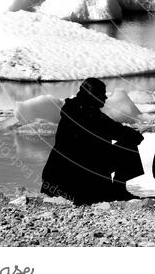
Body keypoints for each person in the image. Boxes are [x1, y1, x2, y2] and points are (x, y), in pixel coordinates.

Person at [41, 77, 144, 205]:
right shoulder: (91, 115)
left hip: (55, 180)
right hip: (79, 182)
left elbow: (113, 129)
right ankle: (119, 189)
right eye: (103, 94)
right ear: (93, 95)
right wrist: (136, 135)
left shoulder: (73, 110)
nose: (105, 98)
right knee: (128, 144)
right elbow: (119, 132)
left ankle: (113, 189)